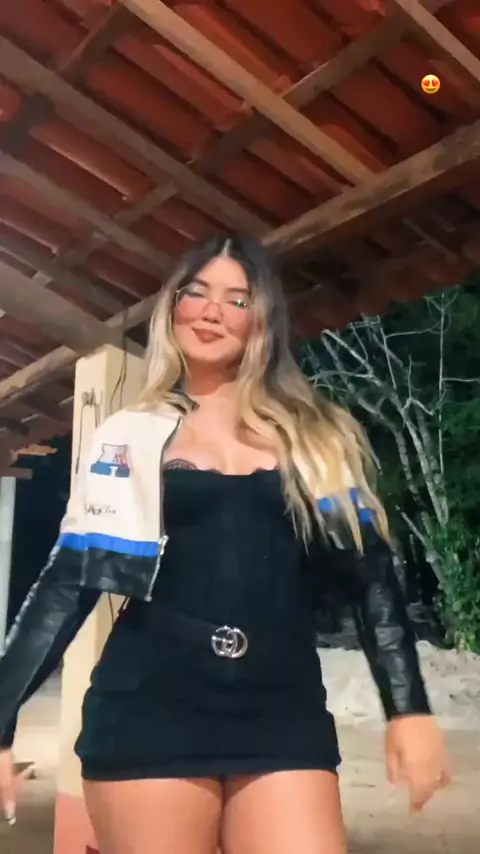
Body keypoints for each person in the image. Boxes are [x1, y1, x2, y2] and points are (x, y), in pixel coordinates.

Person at [0, 234, 450, 853]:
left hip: (282, 710)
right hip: (150, 707)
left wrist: (409, 709)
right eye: (197, 293)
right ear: (173, 306)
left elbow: (371, 581)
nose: (212, 312)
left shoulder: (316, 438)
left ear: (264, 320)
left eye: (238, 300)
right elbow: (66, 587)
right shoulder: (131, 436)